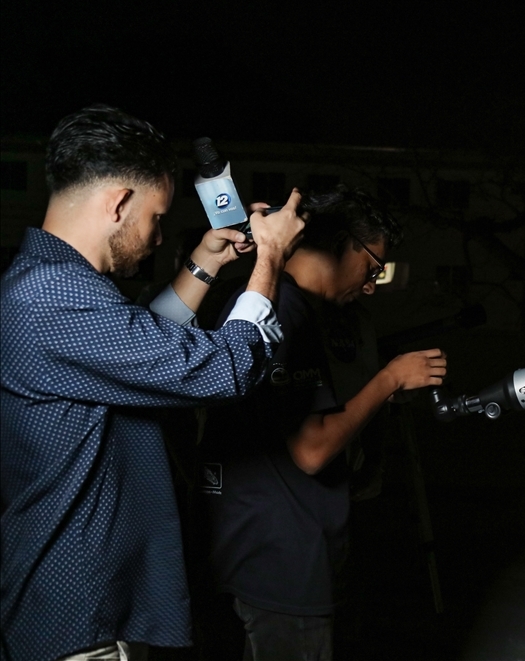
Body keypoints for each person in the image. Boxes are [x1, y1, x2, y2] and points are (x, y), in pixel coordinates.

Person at [0, 104, 306, 661]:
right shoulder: (51, 294)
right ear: (119, 203)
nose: (159, 236)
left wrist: (205, 263)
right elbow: (225, 367)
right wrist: (271, 257)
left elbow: (137, 345)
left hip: (91, 605)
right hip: (78, 617)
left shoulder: (50, 282)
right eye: (155, 217)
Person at [200, 184, 446, 660]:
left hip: (243, 546)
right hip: (284, 561)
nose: (371, 285)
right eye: (373, 267)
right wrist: (389, 379)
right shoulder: (286, 311)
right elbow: (311, 450)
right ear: (343, 243)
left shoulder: (255, 301)